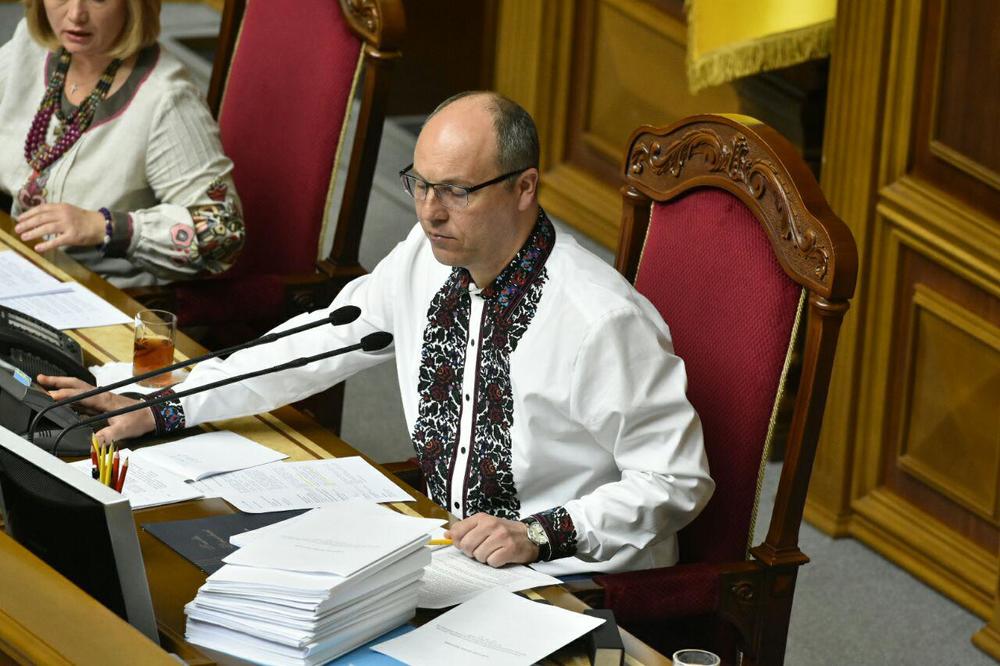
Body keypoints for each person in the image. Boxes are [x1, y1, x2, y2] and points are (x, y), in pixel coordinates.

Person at [44, 91, 713, 575]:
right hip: (450, 553)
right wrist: (165, 406)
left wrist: (537, 534)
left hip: (572, 578)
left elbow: (677, 479)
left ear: (524, 188)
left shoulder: (601, 320)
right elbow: (319, 341)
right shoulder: (426, 259)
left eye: (456, 192)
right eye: (419, 185)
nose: (429, 213)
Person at [0, 0, 244, 287]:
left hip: (108, 295)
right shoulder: (31, 47)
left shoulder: (167, 99)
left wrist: (103, 226)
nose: (76, 14)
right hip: (22, 269)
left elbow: (223, 232)